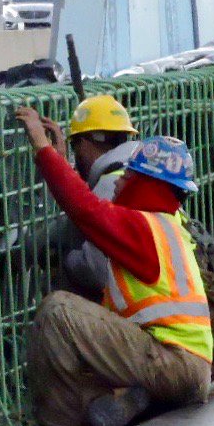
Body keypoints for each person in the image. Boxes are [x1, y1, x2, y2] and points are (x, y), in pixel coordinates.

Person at [15, 105, 212, 426]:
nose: (120, 180)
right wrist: (63, 161)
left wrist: (41, 145)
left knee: (58, 311)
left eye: (129, 175)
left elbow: (86, 210)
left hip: (173, 361)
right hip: (185, 363)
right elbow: (94, 210)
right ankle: (127, 401)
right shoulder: (167, 223)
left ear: (147, 184)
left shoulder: (143, 227)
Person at [55, 96, 140, 296]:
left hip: (136, 307)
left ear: (84, 143)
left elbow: (96, 272)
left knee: (57, 301)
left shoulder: (110, 185)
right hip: (170, 301)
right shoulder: (141, 174)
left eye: (74, 145)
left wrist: (65, 259)